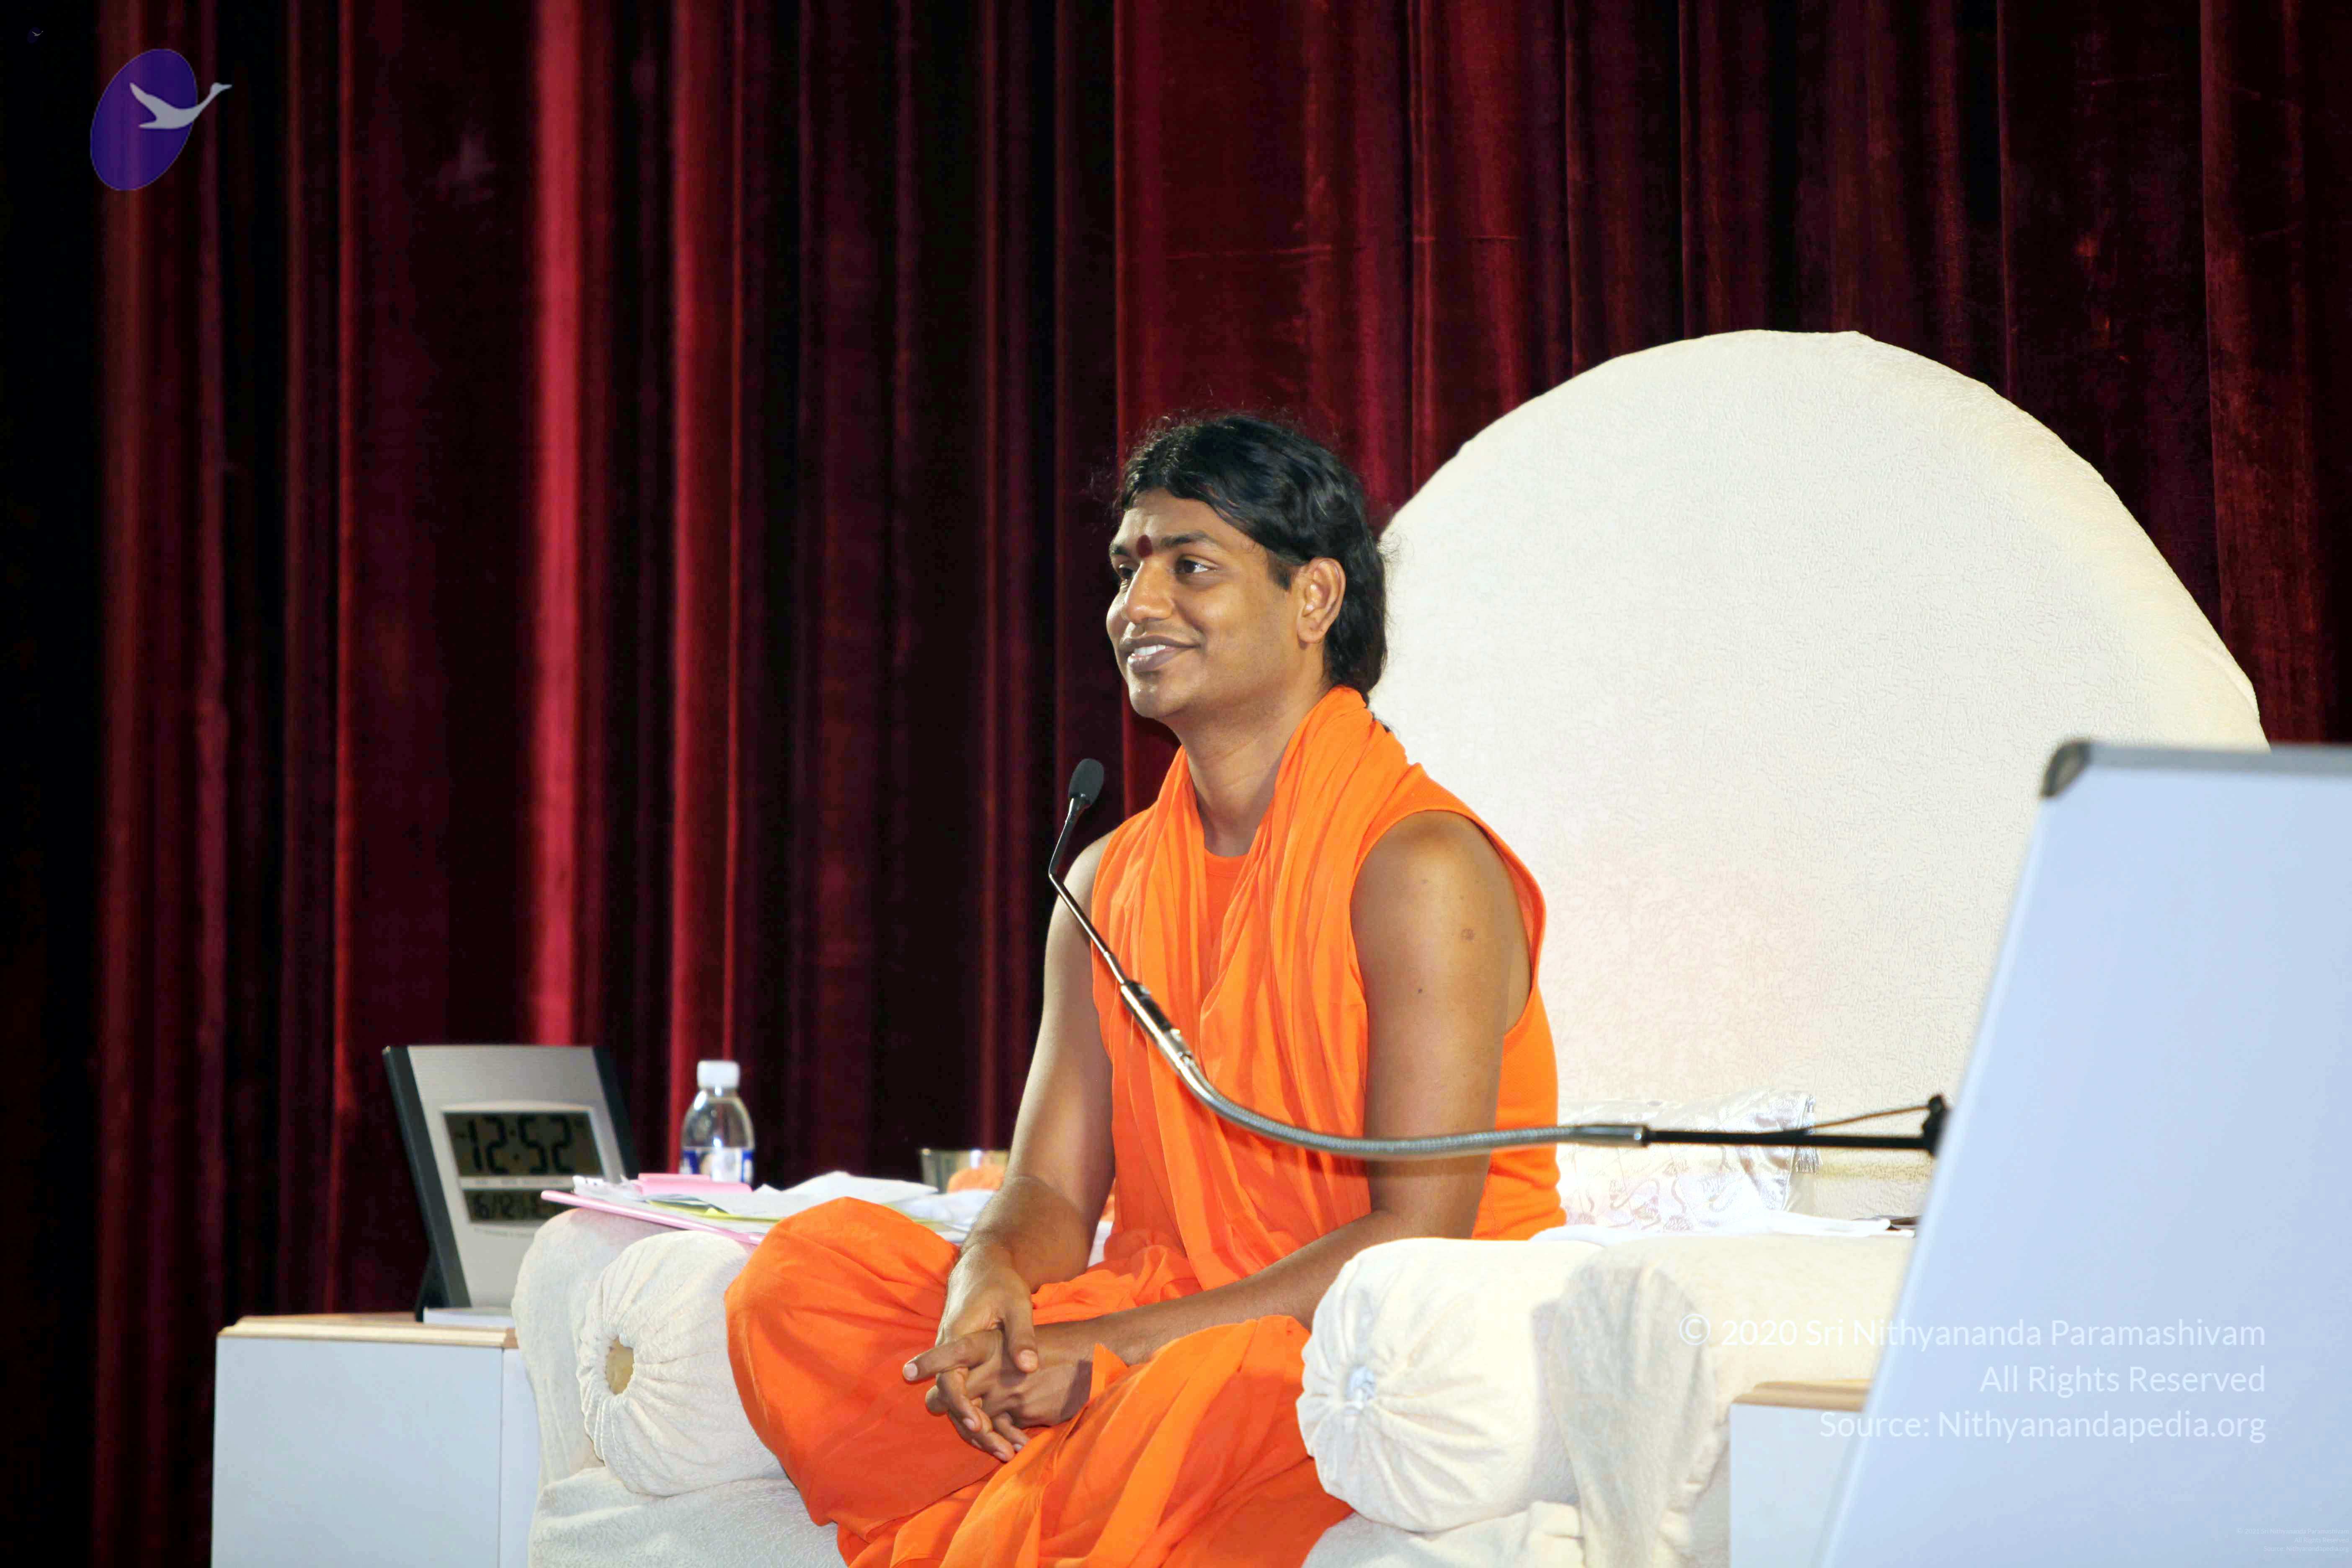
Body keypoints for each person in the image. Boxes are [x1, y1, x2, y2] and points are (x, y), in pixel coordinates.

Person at [726, 413, 1564, 1566]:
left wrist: (1114, 1347)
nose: (1137, 605)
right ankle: (1053, 1449)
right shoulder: (1105, 879)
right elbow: (1050, 1191)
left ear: (1315, 598)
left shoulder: (1417, 865)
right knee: (803, 1282)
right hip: (1168, 1306)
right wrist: (989, 1280)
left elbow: (1414, 1239)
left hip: (1357, 1339)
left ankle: (1044, 1482)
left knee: (1182, 1404)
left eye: (1191, 566)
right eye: (1127, 568)